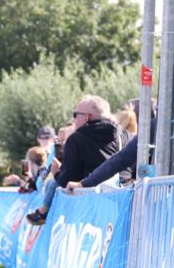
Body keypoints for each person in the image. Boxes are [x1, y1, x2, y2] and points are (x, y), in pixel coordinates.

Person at [26, 95, 121, 225]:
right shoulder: (120, 135)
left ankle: (42, 213)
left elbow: (67, 180)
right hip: (116, 201)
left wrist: (57, 173)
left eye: (75, 114)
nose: (73, 119)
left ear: (86, 117)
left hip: (86, 208)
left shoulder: (77, 139)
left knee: (52, 183)